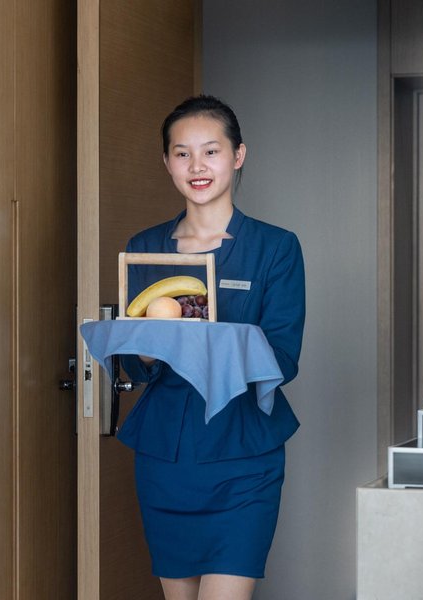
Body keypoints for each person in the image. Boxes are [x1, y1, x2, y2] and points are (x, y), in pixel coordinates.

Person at [117, 95, 306, 600]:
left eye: (211, 151)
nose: (196, 166)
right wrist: (149, 348)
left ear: (237, 155)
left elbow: (283, 357)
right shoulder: (145, 248)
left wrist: (211, 342)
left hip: (243, 454)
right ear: (167, 162)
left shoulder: (275, 247)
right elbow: (136, 364)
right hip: (166, 455)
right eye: (182, 154)